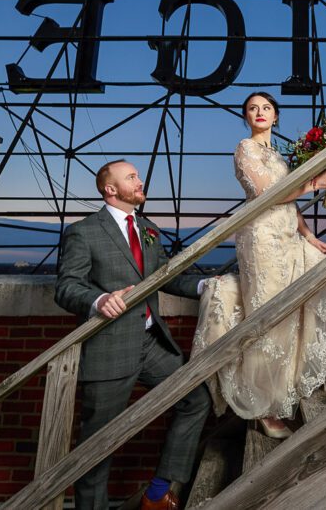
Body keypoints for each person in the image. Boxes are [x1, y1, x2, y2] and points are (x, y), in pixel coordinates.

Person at [192, 91, 326, 438]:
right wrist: (313, 183)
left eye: (266, 108)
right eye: (252, 108)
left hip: (289, 233)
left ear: (276, 116)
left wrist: (309, 235)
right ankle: (263, 407)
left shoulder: (278, 154)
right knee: (271, 317)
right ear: (246, 117)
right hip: (262, 239)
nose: (259, 112)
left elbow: (289, 204)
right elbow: (267, 195)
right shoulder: (246, 149)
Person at [54, 159, 210, 510]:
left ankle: (157, 493)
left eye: (138, 175)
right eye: (131, 177)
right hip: (109, 349)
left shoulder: (148, 229)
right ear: (111, 189)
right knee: (98, 446)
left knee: (196, 401)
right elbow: (66, 288)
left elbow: (165, 277)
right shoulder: (84, 231)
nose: (140, 181)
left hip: (153, 344)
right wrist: (98, 300)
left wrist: (207, 286)